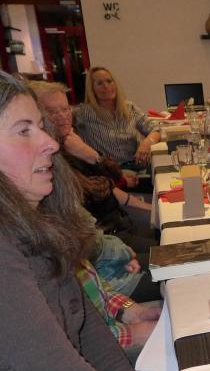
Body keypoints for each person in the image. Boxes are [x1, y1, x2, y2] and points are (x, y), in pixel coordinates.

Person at [0, 71, 181, 371]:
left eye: (41, 127)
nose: (49, 142)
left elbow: (86, 329)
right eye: (24, 131)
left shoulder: (32, 225)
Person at [31, 81, 156, 254]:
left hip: (118, 223)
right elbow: (97, 191)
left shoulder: (71, 141)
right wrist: (89, 154)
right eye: (51, 111)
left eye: (65, 109)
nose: (62, 116)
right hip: (103, 240)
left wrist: (90, 154)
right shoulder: (50, 158)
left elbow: (112, 181)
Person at [73, 66, 160, 169]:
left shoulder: (129, 107)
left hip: (138, 165)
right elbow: (62, 125)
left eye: (109, 81)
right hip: (110, 171)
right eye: (99, 83)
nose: (106, 86)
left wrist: (147, 143)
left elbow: (155, 130)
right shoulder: (83, 112)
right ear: (92, 89)